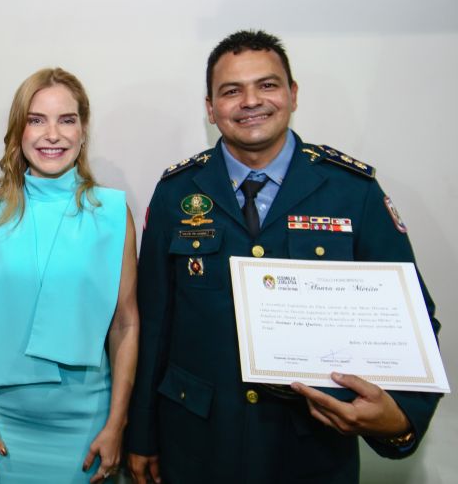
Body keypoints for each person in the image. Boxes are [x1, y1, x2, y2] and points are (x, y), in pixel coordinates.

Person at [127, 30, 442, 484]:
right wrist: (143, 434)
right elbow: (153, 322)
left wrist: (400, 417)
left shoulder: (352, 193)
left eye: (267, 85)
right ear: (211, 108)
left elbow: (414, 319)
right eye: (231, 91)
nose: (251, 101)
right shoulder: (178, 192)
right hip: (196, 444)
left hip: (309, 449)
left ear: (293, 95)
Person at [0, 68, 139, 483]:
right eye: (37, 119)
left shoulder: (113, 213)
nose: (52, 134)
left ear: (83, 130)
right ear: (18, 130)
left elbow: (126, 323)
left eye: (67, 119)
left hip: (88, 421)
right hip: (4, 425)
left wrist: (117, 422)